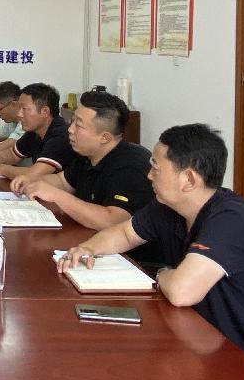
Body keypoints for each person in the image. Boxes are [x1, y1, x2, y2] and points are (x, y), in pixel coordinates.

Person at [57, 124, 244, 369]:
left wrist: (162, 274)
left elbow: (181, 292)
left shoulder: (232, 218)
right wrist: (88, 248)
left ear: (189, 179)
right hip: (208, 344)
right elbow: (124, 233)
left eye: (156, 168)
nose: (149, 175)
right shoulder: (167, 207)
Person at [18, 88, 161, 264]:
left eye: (78, 125)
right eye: (72, 121)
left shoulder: (132, 166)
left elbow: (112, 221)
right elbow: (62, 181)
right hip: (90, 245)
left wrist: (56, 195)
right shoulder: (88, 154)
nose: (70, 129)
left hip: (131, 262)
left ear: (104, 137)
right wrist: (32, 181)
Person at [0, 82, 76, 180]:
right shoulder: (34, 131)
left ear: (45, 111)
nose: (19, 114)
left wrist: (1, 169)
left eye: (24, 109)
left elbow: (34, 174)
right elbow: (12, 154)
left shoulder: (60, 136)